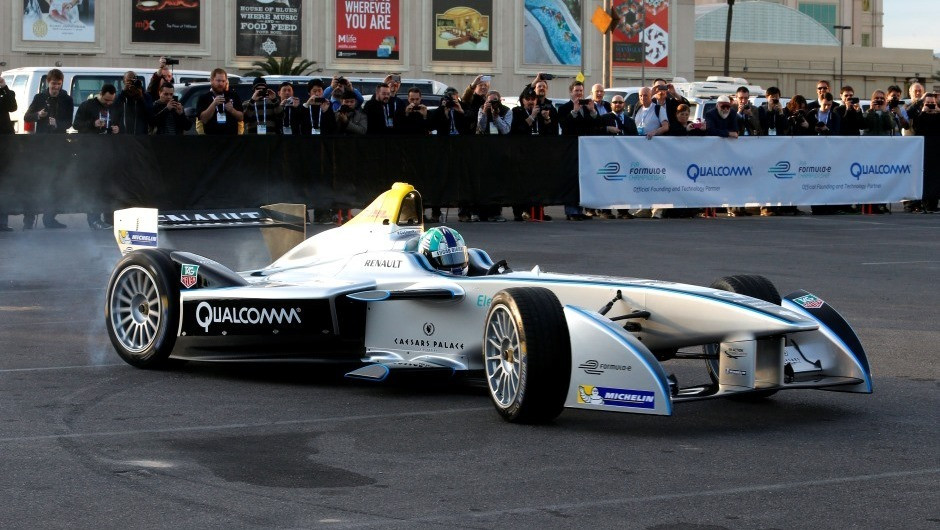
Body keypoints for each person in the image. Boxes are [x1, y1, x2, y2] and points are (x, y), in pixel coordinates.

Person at [23, 68, 73, 229]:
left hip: (59, 146)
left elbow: (69, 122)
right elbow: (27, 116)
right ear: (47, 82)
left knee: (57, 183)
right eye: (53, 84)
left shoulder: (67, 99)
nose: (56, 87)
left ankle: (50, 217)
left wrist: (58, 124)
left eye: (58, 84)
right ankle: (28, 220)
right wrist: (39, 115)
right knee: (35, 182)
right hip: (41, 147)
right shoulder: (40, 97)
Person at [73, 84, 119, 229]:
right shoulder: (87, 105)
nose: (108, 103)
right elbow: (76, 124)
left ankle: (108, 217)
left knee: (108, 186)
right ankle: (93, 219)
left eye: (111, 100)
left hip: (108, 151)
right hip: (90, 151)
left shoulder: (114, 106)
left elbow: (119, 122)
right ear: (100, 94)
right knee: (94, 186)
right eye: (106, 100)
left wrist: (117, 128)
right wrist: (93, 124)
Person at [912, 93, 940, 212]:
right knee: (925, 178)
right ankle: (924, 203)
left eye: (932, 104)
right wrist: (923, 112)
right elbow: (917, 128)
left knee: (936, 177)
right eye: (927, 103)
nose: (930, 106)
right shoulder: (920, 116)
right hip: (924, 150)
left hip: (937, 151)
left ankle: (934, 203)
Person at [196, 68, 243, 135]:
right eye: (218, 81)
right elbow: (204, 119)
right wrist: (213, 104)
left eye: (223, 81)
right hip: (211, 140)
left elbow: (241, 117)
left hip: (231, 140)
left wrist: (232, 110)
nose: (221, 84)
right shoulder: (204, 98)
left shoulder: (233, 96)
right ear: (212, 80)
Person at [0, 77, 17, 231]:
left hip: (4, 144)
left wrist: (4, 88)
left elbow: (12, 107)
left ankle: (2, 222)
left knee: (3, 183)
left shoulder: (5, 93)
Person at [112, 71, 152, 135]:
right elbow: (114, 113)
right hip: (124, 136)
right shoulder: (121, 97)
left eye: (133, 80)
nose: (131, 83)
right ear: (124, 82)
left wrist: (141, 97)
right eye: (128, 81)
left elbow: (150, 116)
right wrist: (123, 92)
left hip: (141, 137)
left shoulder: (146, 96)